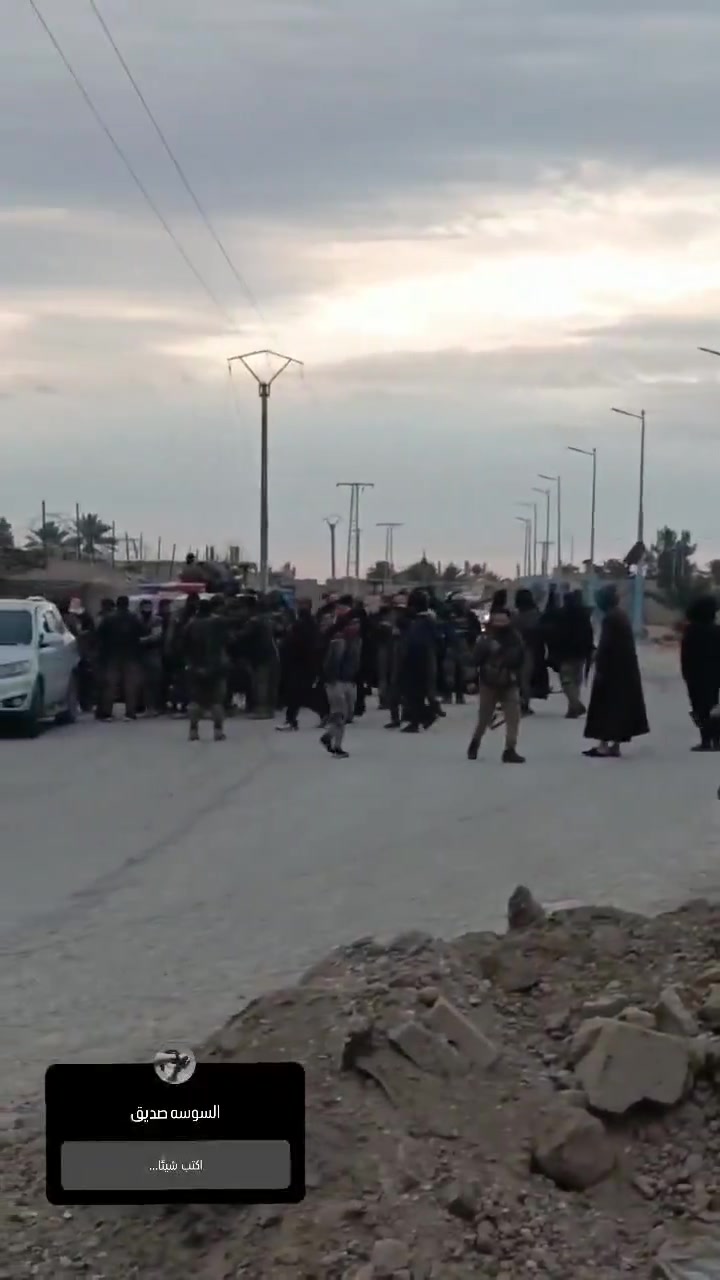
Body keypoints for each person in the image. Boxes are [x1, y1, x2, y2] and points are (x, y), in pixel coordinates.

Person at [583, 584, 649, 757]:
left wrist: (598, 663)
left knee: (606, 707)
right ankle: (615, 745)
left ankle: (604, 745)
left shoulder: (610, 618)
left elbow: (607, 646)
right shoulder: (620, 615)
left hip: (612, 671)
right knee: (620, 708)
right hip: (624, 671)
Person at [467, 606, 525, 762]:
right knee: (486, 717)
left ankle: (509, 749)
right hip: (492, 682)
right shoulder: (487, 640)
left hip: (505, 682)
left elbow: (519, 660)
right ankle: (476, 742)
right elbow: (475, 660)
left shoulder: (513, 638)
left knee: (512, 718)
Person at [182, 596, 228, 741]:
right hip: (216, 665)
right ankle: (218, 731)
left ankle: (193, 731)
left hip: (195, 666)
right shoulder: (219, 622)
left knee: (195, 700)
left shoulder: (190, 624)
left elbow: (183, 644)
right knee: (217, 700)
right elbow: (228, 640)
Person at [680, 596, 720, 752]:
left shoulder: (691, 630)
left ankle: (705, 740)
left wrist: (686, 674)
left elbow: (686, 656)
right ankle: (717, 740)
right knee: (713, 707)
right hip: (714, 677)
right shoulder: (716, 630)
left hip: (695, 676)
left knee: (698, 709)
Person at [95, 595, 144, 720]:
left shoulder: (108, 618)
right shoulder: (134, 618)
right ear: (127, 604)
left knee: (110, 685)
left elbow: (100, 635)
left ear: (117, 604)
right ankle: (130, 713)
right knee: (130, 686)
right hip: (131, 655)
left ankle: (107, 713)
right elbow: (142, 633)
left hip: (112, 655)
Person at [320, 610, 361, 758]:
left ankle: (329, 737)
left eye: (357, 623)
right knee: (339, 715)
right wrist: (332, 680)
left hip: (347, 681)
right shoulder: (339, 642)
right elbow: (331, 664)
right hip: (337, 682)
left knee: (343, 715)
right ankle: (336, 745)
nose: (356, 627)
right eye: (352, 624)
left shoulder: (355, 640)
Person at [549, 589, 595, 718]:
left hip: (565, 653)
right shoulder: (584, 616)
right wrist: (590, 650)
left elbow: (555, 634)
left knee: (567, 680)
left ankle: (575, 705)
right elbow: (589, 634)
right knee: (576, 680)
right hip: (580, 653)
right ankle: (572, 708)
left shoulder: (561, 615)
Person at [277, 600, 320, 731]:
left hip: (298, 664)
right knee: (302, 695)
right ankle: (292, 720)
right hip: (306, 664)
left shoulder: (300, 626)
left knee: (296, 694)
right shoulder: (312, 624)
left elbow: (294, 645)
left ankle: (291, 721)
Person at [513, 588, 549, 714]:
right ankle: (524, 704)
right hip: (532, 650)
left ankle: (518, 702)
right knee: (525, 679)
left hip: (516, 650)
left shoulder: (516, 616)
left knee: (517, 678)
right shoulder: (537, 615)